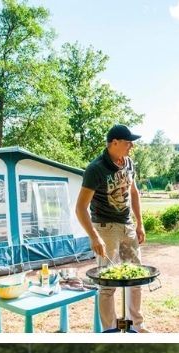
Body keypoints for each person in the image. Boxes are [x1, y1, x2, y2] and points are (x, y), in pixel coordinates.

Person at [75, 124, 149, 332]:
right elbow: (80, 208)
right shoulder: (96, 168)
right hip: (105, 228)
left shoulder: (129, 163)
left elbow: (134, 193)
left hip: (127, 226)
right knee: (108, 282)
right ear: (114, 143)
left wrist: (140, 223)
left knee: (137, 277)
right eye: (128, 142)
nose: (131, 145)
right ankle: (110, 330)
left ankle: (136, 326)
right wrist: (94, 236)